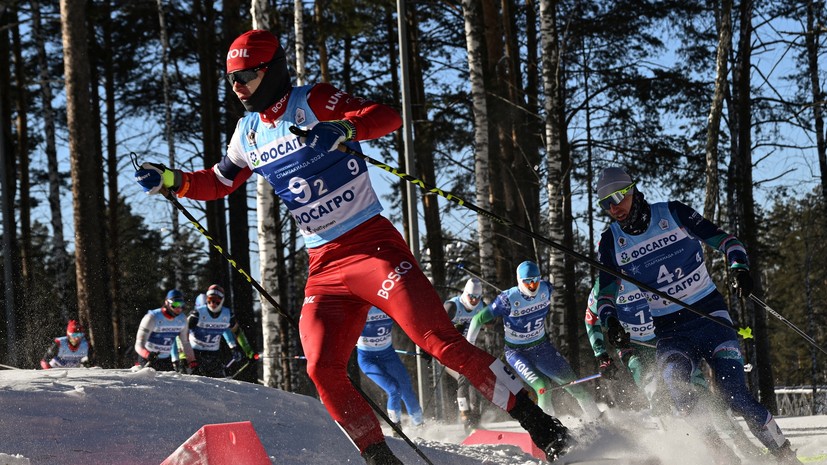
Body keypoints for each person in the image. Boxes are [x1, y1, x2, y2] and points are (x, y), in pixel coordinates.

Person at [134, 29, 569, 464]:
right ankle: (381, 460)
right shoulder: (247, 134)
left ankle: (542, 425)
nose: (237, 87)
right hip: (324, 267)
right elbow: (218, 180)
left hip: (372, 248)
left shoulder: (314, 100)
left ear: (271, 71)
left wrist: (344, 127)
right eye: (230, 79)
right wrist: (171, 180)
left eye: (245, 75)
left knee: (440, 341)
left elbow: (387, 116)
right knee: (321, 369)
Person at [593, 166, 800, 463]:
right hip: (671, 332)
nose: (614, 208)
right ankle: (725, 457)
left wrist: (739, 268)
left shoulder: (673, 213)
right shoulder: (611, 241)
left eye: (618, 197)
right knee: (678, 394)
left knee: (735, 397)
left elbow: (727, 241)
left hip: (710, 317)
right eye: (605, 203)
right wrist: (611, 321)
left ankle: (784, 454)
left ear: (633, 189)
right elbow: (605, 295)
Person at [466, 261, 602, 421]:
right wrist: (468, 347)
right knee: (543, 386)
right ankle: (550, 431)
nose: (532, 285)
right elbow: (478, 318)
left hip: (542, 348)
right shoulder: (507, 299)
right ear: (520, 281)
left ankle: (599, 420)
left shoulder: (546, 288)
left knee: (574, 385)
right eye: (527, 281)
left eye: (535, 280)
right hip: (517, 352)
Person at [357, 307, 423, 432]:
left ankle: (419, 425)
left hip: (388, 355)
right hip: (368, 359)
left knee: (407, 390)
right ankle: (396, 428)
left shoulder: (388, 304)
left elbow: (410, 322)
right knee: (394, 390)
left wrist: (425, 346)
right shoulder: (362, 307)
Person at [443, 278, 486, 431]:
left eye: (477, 298)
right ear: (465, 294)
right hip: (449, 353)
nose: (474, 301)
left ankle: (475, 419)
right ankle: (465, 416)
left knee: (477, 378)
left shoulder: (481, 306)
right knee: (464, 376)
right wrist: (454, 329)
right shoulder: (452, 306)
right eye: (471, 297)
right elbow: (437, 327)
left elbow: (493, 319)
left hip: (467, 353)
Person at [186, 284, 254, 378]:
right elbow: (181, 333)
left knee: (219, 386)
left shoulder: (227, 315)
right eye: (210, 300)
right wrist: (183, 356)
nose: (213, 304)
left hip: (214, 356)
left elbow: (236, 332)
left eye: (216, 301)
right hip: (195, 354)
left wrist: (248, 351)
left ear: (222, 300)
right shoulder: (197, 314)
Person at [134, 289, 197, 373]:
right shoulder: (152, 317)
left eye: (181, 304)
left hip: (166, 359)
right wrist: (147, 354)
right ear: (167, 302)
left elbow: (185, 343)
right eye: (175, 304)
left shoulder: (182, 319)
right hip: (147, 359)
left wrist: (192, 361)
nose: (179, 308)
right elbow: (138, 344)